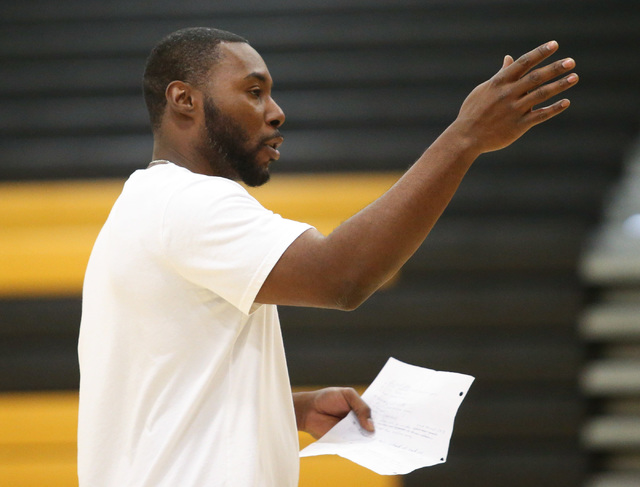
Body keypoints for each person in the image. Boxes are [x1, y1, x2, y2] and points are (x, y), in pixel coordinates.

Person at [77, 27, 578, 487]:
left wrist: (285, 409)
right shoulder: (186, 203)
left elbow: (153, 396)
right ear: (184, 99)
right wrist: (465, 138)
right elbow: (343, 277)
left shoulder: (148, 206)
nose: (275, 112)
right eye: (254, 92)